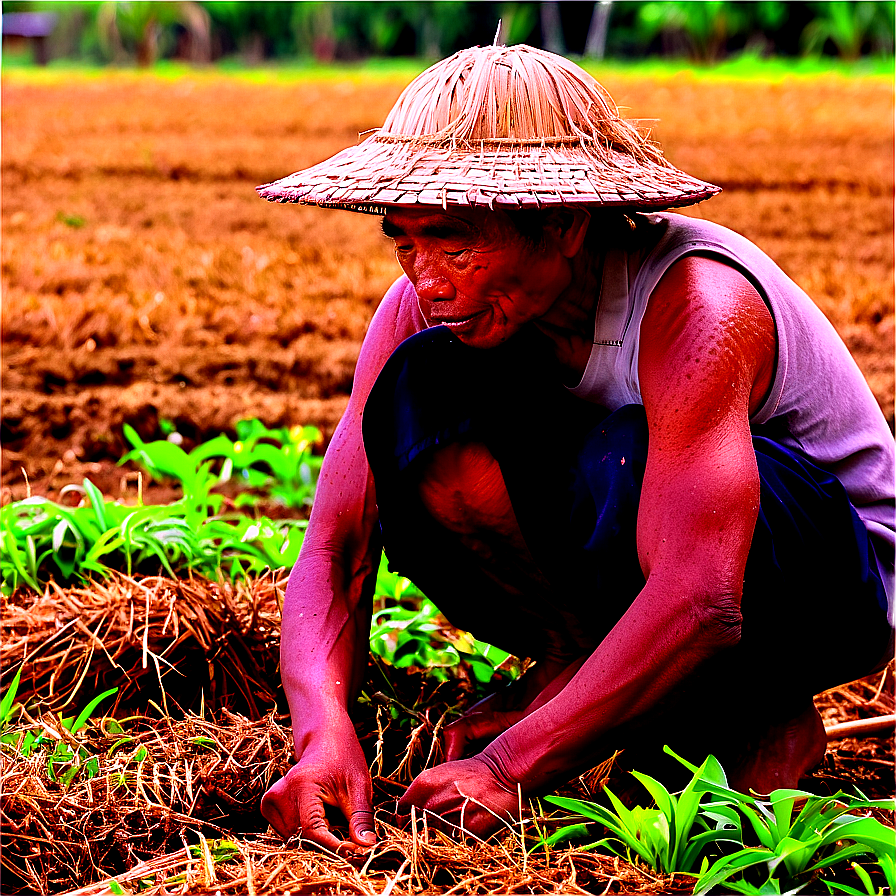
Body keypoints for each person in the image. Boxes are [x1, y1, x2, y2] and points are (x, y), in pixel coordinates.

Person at [256, 43, 894, 853]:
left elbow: (702, 596)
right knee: (419, 388)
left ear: (563, 225)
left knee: (623, 455)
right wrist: (323, 734)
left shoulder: (694, 303)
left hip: (828, 582)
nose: (427, 278)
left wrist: (510, 766)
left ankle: (751, 711)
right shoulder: (425, 307)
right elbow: (336, 546)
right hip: (641, 553)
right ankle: (590, 665)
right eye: (405, 243)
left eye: (455, 243)